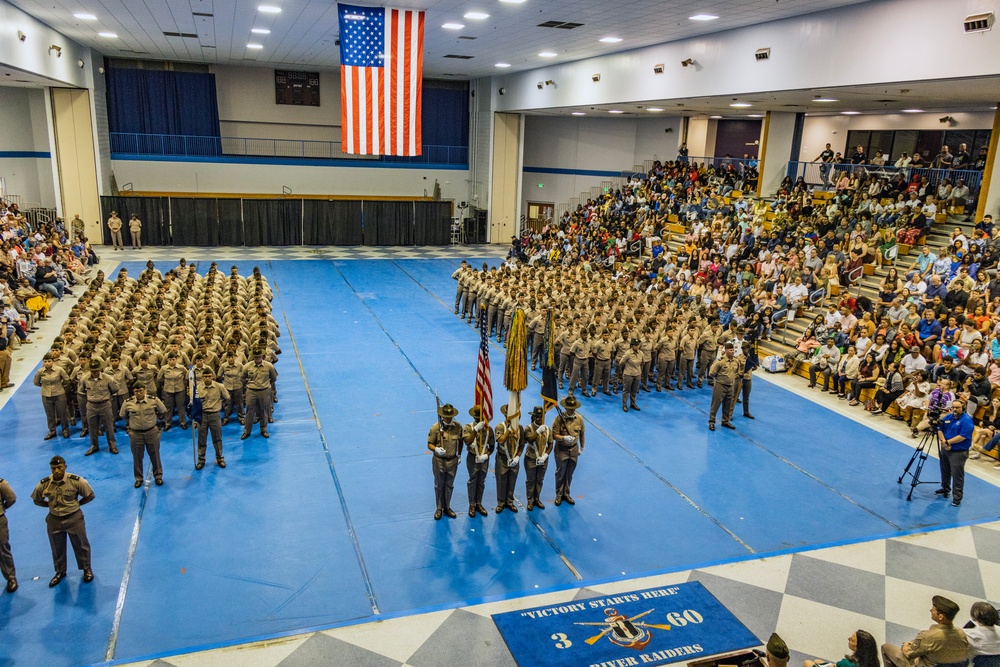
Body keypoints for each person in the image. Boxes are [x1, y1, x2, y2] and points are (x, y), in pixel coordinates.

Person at [31, 455, 95, 587]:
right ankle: (60, 571)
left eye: (59, 467)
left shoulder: (76, 481)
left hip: (73, 518)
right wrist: (50, 506)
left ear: (65, 467)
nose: (56, 471)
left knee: (81, 545)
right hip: (54, 519)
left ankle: (86, 569)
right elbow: (36, 499)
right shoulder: (44, 483)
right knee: (56, 547)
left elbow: (90, 495)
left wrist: (77, 505)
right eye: (53, 468)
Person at [881, 595, 968, 667]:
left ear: (941, 617)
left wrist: (906, 646)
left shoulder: (927, 636)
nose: (931, 610)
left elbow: (910, 653)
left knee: (886, 647)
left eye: (933, 610)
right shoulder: (961, 633)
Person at [120, 384, 166, 487]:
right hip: (136, 434)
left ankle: (158, 476)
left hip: (151, 432)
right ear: (133, 391)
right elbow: (123, 415)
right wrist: (132, 424)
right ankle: (138, 478)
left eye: (141, 391)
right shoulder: (128, 403)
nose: (139, 393)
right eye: (136, 391)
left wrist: (154, 420)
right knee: (137, 457)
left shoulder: (154, 400)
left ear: (145, 390)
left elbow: (162, 411)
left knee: (155, 455)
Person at [427, 403, 463, 520]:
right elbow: (429, 444)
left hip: (452, 461)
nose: (448, 419)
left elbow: (460, 441)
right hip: (439, 460)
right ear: (442, 416)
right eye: (446, 417)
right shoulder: (435, 428)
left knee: (449, 485)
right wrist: (436, 449)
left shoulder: (458, 427)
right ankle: (439, 508)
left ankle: (447, 506)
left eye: (450, 416)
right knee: (439, 485)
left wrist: (459, 454)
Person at [936, 399, 973, 506]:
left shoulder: (967, 420)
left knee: (957, 475)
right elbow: (940, 429)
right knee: (945, 471)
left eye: (958, 407)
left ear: (963, 408)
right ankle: (945, 489)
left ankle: (957, 497)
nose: (955, 410)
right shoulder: (948, 417)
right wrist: (943, 441)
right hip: (945, 449)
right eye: (954, 407)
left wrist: (948, 442)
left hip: (958, 452)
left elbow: (963, 436)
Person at [81, 358, 120, 456]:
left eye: (96, 370)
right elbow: (82, 390)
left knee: (109, 427)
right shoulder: (84, 379)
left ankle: (112, 446)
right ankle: (94, 446)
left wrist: (105, 398)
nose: (94, 372)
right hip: (91, 405)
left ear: (100, 369)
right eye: (92, 371)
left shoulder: (108, 378)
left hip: (105, 404)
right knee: (92, 427)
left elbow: (115, 389)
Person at [552, 395, 585, 505]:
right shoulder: (559, 419)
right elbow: (554, 435)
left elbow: (582, 433)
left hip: (574, 449)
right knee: (560, 473)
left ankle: (566, 493)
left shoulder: (579, 419)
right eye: (569, 408)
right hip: (562, 449)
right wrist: (563, 438)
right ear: (566, 408)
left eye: (573, 408)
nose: (571, 410)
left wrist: (582, 447)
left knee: (569, 473)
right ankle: (558, 494)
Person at [462, 405, 494, 517]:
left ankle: (479, 503)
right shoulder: (468, 427)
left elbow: (492, 446)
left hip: (484, 459)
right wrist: (475, 430)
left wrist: (487, 455)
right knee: (472, 480)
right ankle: (471, 504)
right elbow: (467, 441)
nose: (478, 419)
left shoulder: (489, 429)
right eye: (476, 417)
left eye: (479, 417)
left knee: (481, 481)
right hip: (472, 457)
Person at [196, 369, 231, 470]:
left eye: (209, 376)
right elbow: (194, 403)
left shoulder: (220, 386)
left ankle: (220, 458)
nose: (207, 378)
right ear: (202, 377)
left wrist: (219, 405)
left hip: (215, 415)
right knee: (201, 439)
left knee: (217, 438)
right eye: (205, 376)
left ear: (213, 376)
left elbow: (227, 398)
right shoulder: (198, 388)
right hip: (202, 415)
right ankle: (201, 459)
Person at [494, 404, 524, 513]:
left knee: (512, 481)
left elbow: (521, 444)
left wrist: (518, 457)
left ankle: (510, 501)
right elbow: (501, 440)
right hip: (502, 458)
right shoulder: (500, 427)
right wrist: (510, 429)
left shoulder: (520, 428)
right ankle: (501, 502)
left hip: (514, 458)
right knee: (501, 481)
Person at [241, 348, 277, 439]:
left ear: (262, 356)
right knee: (249, 411)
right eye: (255, 357)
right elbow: (242, 378)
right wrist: (248, 385)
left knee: (264, 410)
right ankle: (247, 431)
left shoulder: (269, 366)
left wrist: (266, 385)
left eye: (259, 357)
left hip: (264, 391)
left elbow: (273, 378)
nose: (257, 358)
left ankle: (264, 429)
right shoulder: (247, 366)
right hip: (251, 391)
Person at [34, 353, 71, 440]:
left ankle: (65, 430)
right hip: (46, 395)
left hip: (59, 394)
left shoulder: (59, 370)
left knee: (62, 413)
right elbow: (36, 382)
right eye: (45, 361)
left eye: (49, 361)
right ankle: (52, 431)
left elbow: (66, 379)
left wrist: (61, 387)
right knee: (50, 414)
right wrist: (44, 387)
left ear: (53, 361)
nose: (47, 363)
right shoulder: (40, 371)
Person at [523, 406, 553, 511]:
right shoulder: (528, 428)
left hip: (543, 459)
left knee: (540, 480)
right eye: (537, 417)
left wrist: (545, 455)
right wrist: (538, 432)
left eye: (541, 417)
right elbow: (530, 439)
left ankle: (537, 499)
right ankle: (530, 500)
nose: (539, 419)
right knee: (531, 480)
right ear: (534, 417)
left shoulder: (548, 429)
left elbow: (550, 444)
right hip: (531, 458)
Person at [709, 342, 741, 431]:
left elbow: (736, 372)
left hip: (731, 385)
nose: (732, 352)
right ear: (726, 351)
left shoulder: (736, 361)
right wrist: (720, 379)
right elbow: (711, 373)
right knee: (715, 404)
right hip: (720, 385)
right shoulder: (720, 362)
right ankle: (712, 422)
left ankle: (725, 421)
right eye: (730, 350)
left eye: (733, 350)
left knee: (728, 404)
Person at [804, 630, 880, 667]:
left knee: (807, 663)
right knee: (817, 661)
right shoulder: (873, 662)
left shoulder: (847, 664)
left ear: (858, 648)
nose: (848, 639)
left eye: (852, 640)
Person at [0, 475, 16, 593]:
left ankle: (11, 578)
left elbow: (11, 498)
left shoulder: (1, 484)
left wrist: (2, 508)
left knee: (2, 549)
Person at [619, 337, 643, 412]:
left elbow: (643, 362)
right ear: (632, 346)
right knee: (626, 390)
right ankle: (624, 404)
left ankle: (633, 403)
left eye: (638, 345)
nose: (637, 346)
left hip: (637, 373)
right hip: (628, 374)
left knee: (634, 390)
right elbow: (621, 363)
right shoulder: (628, 353)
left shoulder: (641, 353)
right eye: (635, 345)